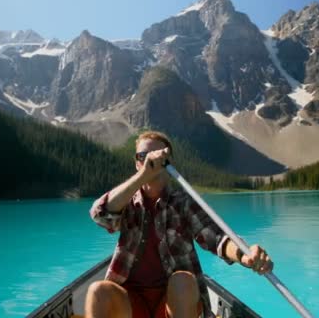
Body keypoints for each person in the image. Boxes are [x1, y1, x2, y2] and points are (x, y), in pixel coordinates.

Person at [85, 131, 273, 318]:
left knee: (182, 281)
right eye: (143, 156)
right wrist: (143, 176)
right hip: (131, 302)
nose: (152, 160)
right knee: (98, 292)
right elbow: (99, 215)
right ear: (137, 164)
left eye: (159, 155)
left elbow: (217, 239)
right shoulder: (127, 203)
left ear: (169, 162)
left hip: (174, 303)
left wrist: (245, 254)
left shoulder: (184, 203)